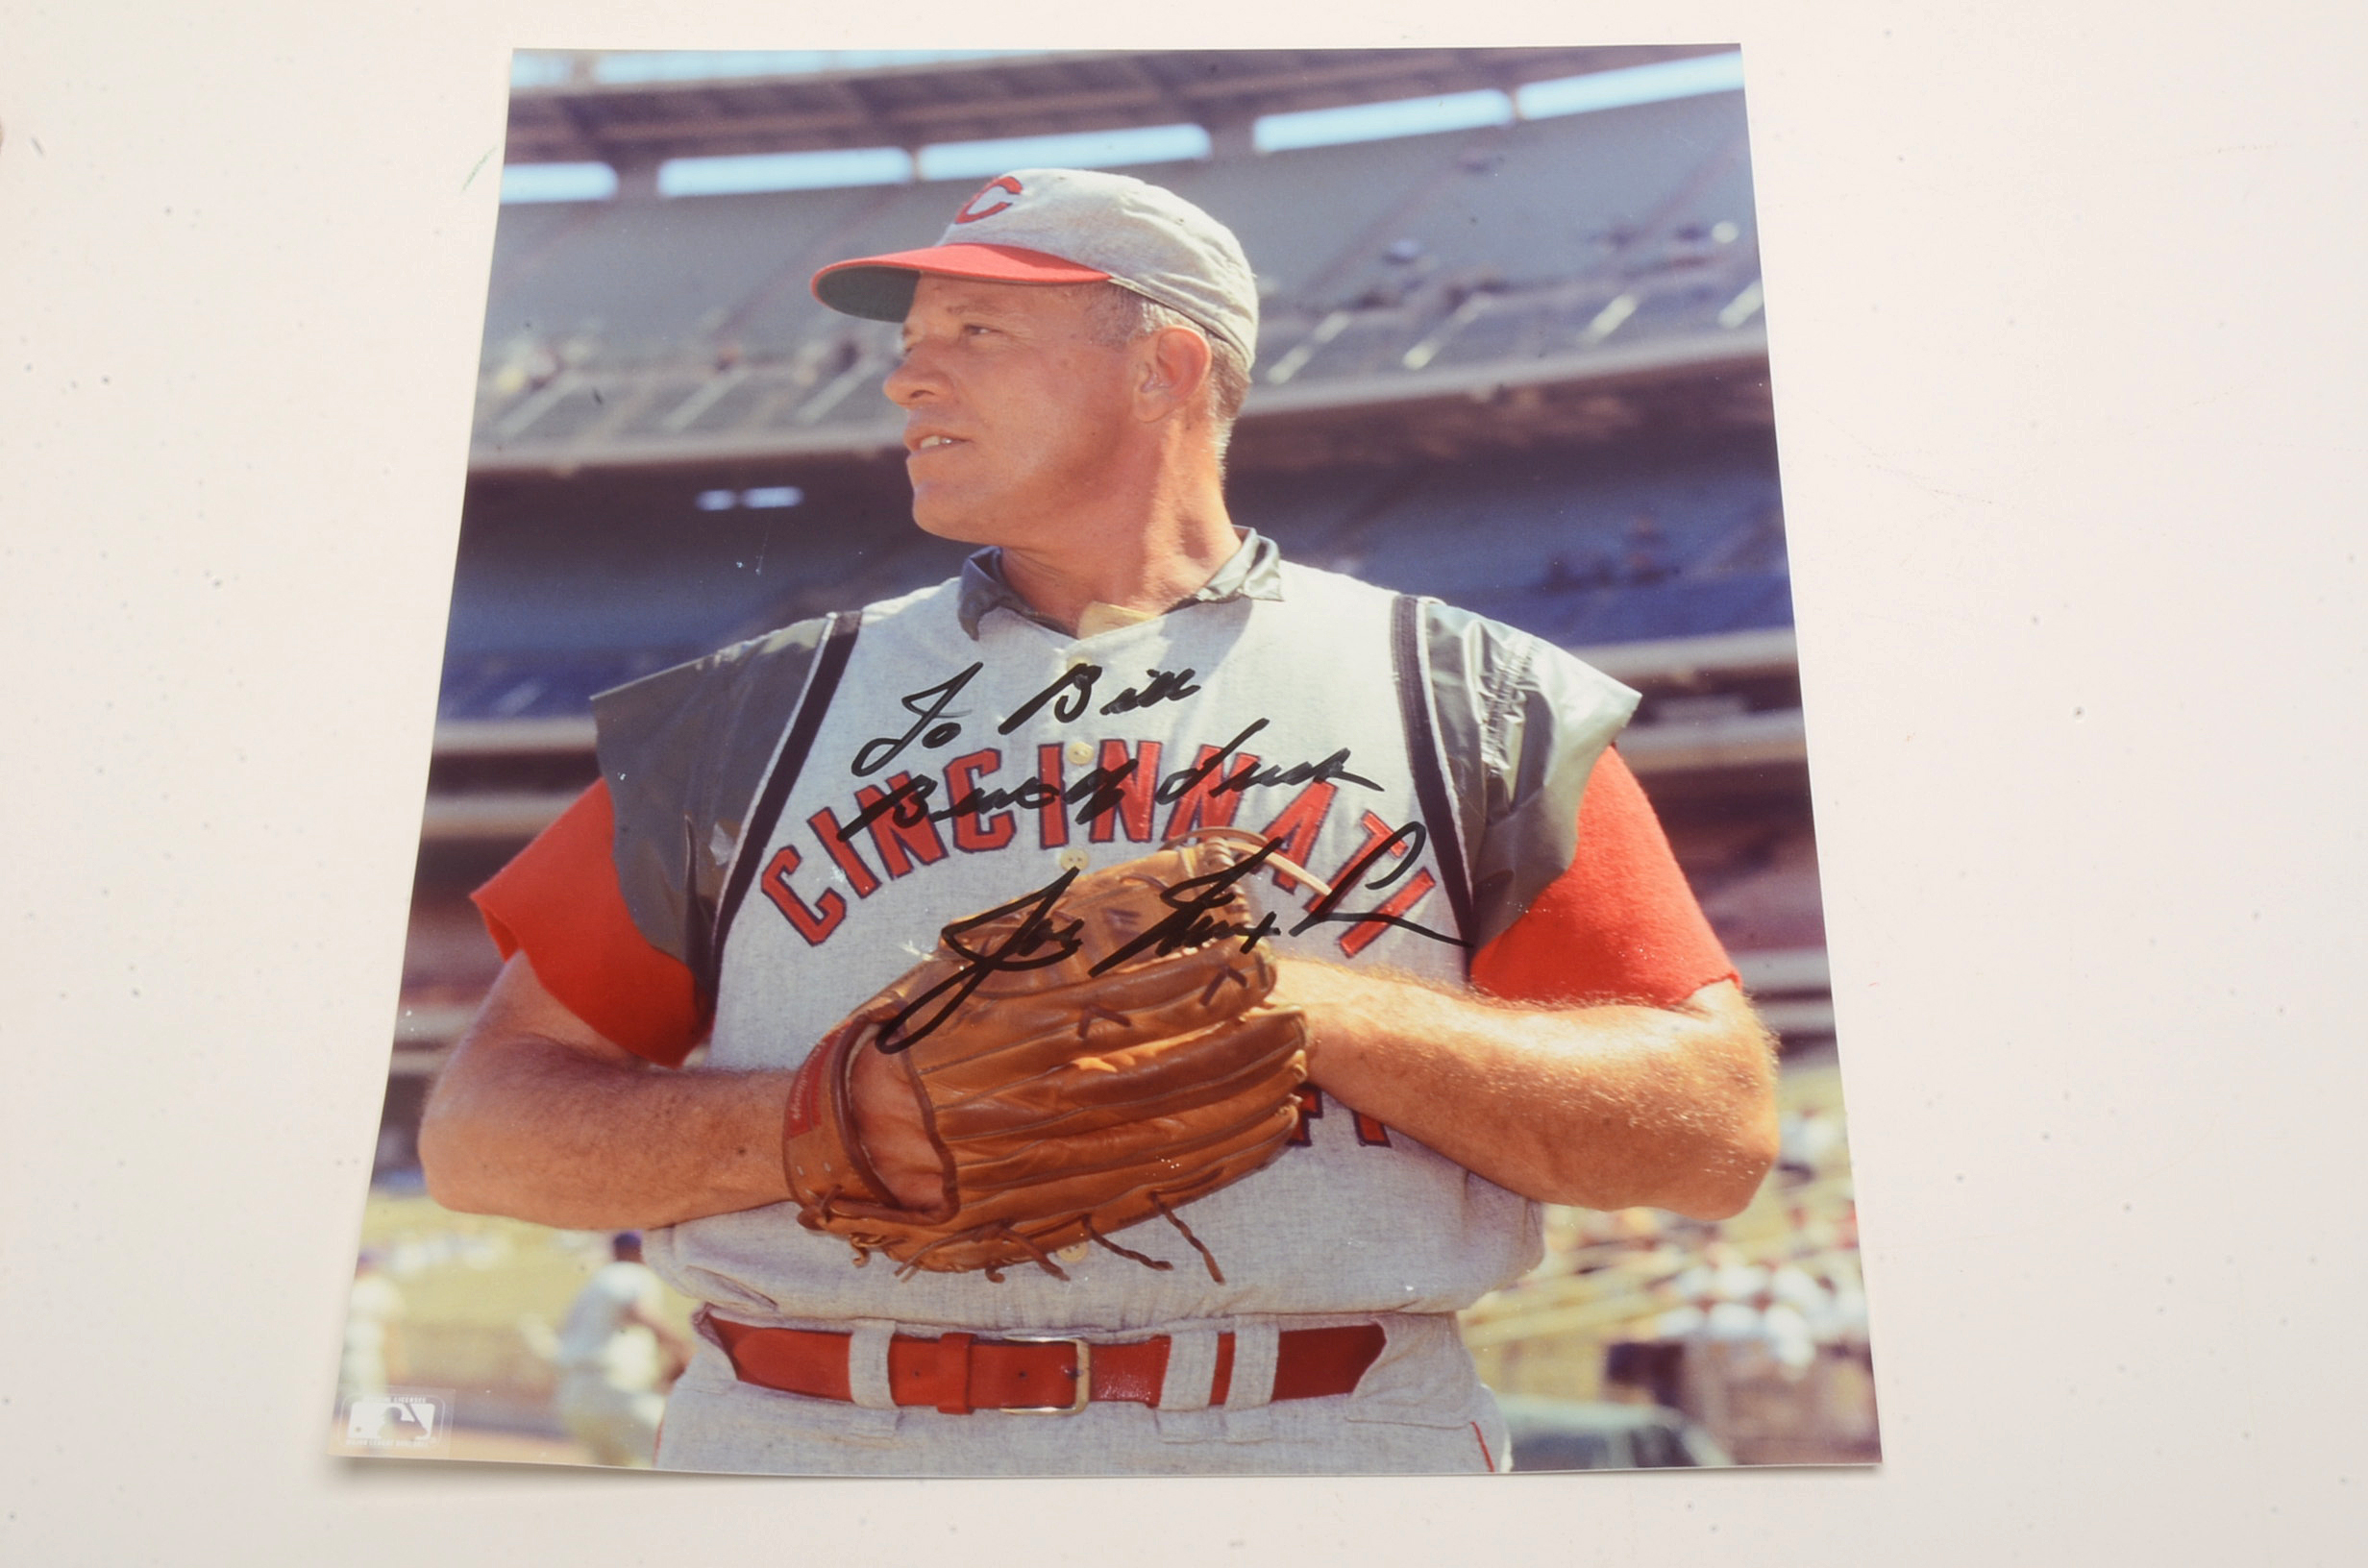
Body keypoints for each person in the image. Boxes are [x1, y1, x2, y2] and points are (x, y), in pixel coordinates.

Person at [419, 167, 1779, 1476]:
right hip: (810, 1443)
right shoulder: (744, 718)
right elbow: (482, 1129)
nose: (905, 376)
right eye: (910, 339)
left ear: (1166, 368)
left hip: (1314, 1445)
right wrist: (811, 1124)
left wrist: (1306, 1012)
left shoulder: (1468, 697)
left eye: (978, 329)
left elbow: (1710, 1134)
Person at [552, 1232, 691, 1467]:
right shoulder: (632, 1273)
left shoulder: (594, 1282)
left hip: (574, 1393)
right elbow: (640, 1311)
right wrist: (683, 1349)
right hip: (616, 1391)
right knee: (681, 1460)